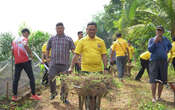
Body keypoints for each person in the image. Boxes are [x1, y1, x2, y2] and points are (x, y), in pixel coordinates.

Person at [46, 22, 75, 103]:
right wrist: (47, 57)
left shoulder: (68, 39)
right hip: (53, 63)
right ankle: (53, 93)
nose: (59, 30)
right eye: (58, 28)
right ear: (56, 29)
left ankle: (63, 97)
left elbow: (73, 50)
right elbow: (47, 49)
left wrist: (77, 57)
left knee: (65, 81)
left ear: (63, 29)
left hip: (65, 64)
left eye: (61, 28)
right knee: (51, 77)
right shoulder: (52, 39)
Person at [11, 28, 41, 101]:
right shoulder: (24, 39)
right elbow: (26, 46)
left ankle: (14, 96)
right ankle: (34, 95)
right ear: (26, 33)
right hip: (25, 61)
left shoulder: (14, 41)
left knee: (16, 79)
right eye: (28, 34)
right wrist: (31, 54)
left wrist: (16, 58)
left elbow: (12, 51)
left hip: (17, 62)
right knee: (31, 77)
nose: (27, 36)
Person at [148, 26, 172, 102]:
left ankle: (159, 97)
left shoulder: (166, 40)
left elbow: (170, 46)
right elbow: (150, 50)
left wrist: (167, 51)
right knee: (153, 80)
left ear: (163, 32)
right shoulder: (151, 40)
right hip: (154, 61)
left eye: (160, 30)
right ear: (156, 31)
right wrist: (155, 42)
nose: (158, 32)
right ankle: (153, 97)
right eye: (157, 30)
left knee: (162, 80)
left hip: (163, 61)